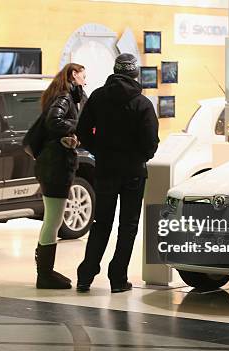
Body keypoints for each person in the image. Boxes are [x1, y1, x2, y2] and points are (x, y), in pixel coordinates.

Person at [76, 53, 160, 293]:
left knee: (101, 222)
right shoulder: (142, 103)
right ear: (135, 73)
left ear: (115, 70)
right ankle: (118, 278)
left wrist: (99, 150)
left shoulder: (98, 97)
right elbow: (151, 141)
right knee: (128, 226)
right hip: (133, 171)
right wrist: (141, 156)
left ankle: (86, 275)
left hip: (104, 169)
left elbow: (82, 131)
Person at [34, 63, 87, 289]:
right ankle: (44, 274)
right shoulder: (65, 97)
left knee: (52, 219)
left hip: (51, 165)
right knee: (54, 219)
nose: (85, 81)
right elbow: (54, 122)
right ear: (74, 75)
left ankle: (45, 272)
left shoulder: (59, 95)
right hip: (55, 167)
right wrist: (78, 127)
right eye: (84, 76)